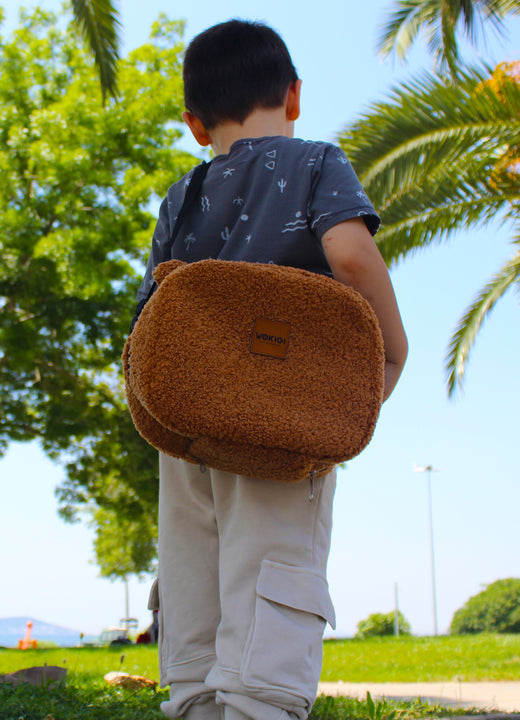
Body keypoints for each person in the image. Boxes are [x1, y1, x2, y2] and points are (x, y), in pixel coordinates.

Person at [135, 19, 408, 720]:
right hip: (283, 415)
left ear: (195, 123)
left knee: (192, 571)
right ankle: (258, 707)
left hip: (187, 424)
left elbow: (149, 319)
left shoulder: (181, 195)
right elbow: (348, 253)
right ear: (293, 96)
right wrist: (391, 344)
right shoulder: (315, 162)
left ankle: (193, 700)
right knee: (274, 566)